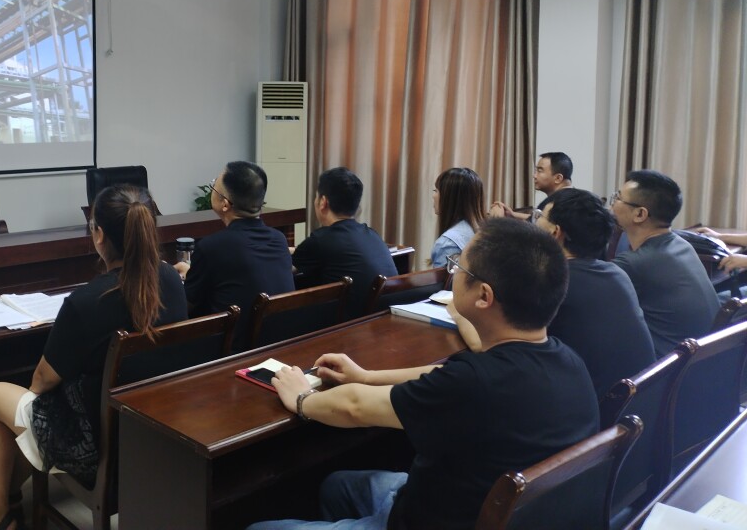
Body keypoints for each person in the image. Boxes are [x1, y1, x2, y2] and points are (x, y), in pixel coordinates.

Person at [246, 218, 599, 530]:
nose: (453, 273)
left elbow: (354, 407)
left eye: (459, 268)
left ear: (484, 296)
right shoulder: (569, 362)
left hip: (431, 519)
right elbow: (440, 375)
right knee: (336, 485)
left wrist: (302, 398)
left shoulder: (474, 383)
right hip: (469, 504)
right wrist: (365, 376)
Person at [0, 185, 187, 530]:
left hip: (94, 445)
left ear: (99, 235)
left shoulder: (87, 302)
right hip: (155, 431)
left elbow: (41, 382)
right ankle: (8, 500)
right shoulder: (172, 279)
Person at [535, 188, 656, 398]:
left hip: (597, 410)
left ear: (555, 232)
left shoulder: (553, 283)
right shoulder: (617, 274)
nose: (535, 223)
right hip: (639, 401)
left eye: (539, 216)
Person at [178, 161, 294, 350]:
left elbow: (186, 306)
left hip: (231, 352)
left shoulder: (211, 247)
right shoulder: (279, 240)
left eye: (214, 186)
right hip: (277, 347)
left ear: (225, 204)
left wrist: (179, 278)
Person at [611, 170, 719, 357]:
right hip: (704, 360)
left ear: (640, 214)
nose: (612, 203)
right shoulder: (682, 244)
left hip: (669, 367)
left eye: (618, 198)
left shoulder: (634, 263)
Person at [291, 167, 397, 317]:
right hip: (381, 320)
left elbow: (286, 267)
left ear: (323, 202)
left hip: (348, 325)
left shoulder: (320, 240)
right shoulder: (371, 234)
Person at [490, 151, 574, 220]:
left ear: (558, 178)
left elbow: (541, 227)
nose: (534, 176)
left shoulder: (567, 205)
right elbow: (540, 220)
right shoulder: (567, 199)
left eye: (540, 171)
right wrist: (512, 214)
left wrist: (500, 220)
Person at [430, 167, 485, 267]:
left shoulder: (447, 244)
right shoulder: (484, 231)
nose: (434, 196)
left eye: (436, 190)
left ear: (449, 198)